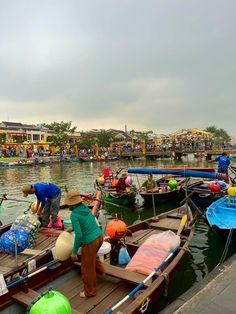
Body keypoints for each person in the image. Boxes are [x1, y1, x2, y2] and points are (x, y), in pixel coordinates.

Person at [63, 189, 105, 298]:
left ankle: (90, 292)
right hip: (99, 236)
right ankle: (102, 271)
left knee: (87, 268)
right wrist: (73, 228)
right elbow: (87, 221)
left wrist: (74, 252)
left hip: (90, 242)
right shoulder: (85, 207)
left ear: (72, 204)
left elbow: (80, 235)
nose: (68, 206)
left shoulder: (74, 215)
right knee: (93, 257)